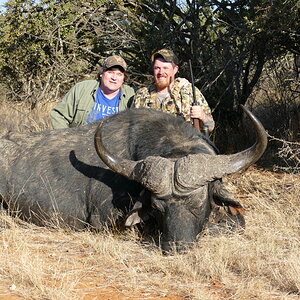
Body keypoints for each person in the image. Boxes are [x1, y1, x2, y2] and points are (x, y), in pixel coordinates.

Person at [133, 49, 215, 132]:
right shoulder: (141, 95)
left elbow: (211, 126)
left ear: (175, 70)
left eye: (165, 68)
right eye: (157, 68)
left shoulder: (189, 92)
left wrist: (202, 116)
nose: (161, 72)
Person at [50, 55, 135, 129]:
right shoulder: (82, 89)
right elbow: (59, 115)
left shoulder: (131, 96)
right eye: (110, 72)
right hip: (80, 142)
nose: (114, 78)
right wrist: (66, 141)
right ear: (101, 74)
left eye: (119, 74)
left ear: (124, 78)